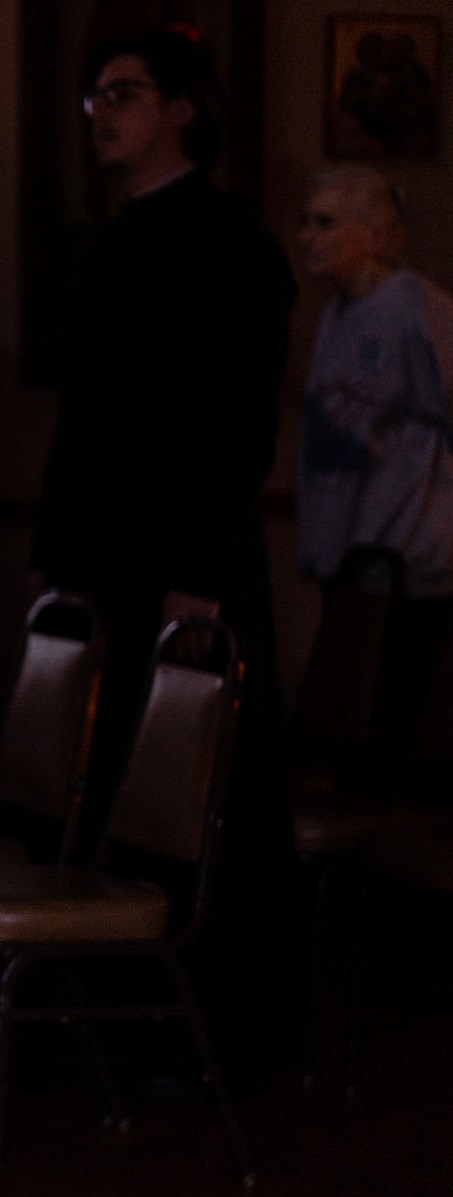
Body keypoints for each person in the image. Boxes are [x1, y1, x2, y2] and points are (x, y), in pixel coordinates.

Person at [32, 30, 297, 1074]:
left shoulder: (229, 245)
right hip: (108, 566)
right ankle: (114, 1028)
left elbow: (233, 428)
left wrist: (193, 577)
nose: (100, 113)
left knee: (191, 804)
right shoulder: (118, 237)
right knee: (110, 793)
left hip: (186, 574)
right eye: (93, 97)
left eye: (123, 95)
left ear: (183, 109)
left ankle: (212, 1041)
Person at [297, 164, 453, 763]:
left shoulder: (417, 312)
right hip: (353, 555)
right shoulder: (337, 315)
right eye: (306, 222)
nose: (308, 236)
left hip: (407, 560)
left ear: (370, 230)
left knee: (391, 733)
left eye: (325, 223)